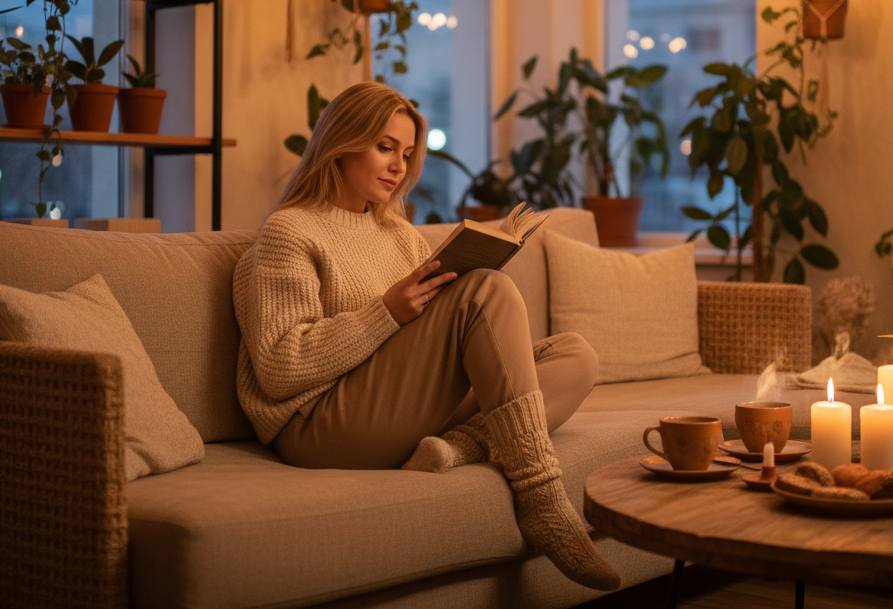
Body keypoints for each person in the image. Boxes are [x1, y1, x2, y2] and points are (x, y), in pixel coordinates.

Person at [232, 81, 619, 591]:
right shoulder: (290, 231)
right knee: (487, 289)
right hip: (320, 425)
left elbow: (433, 340)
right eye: (385, 147)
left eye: (407, 153)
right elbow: (280, 368)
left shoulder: (399, 234)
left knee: (575, 354)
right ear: (342, 143)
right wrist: (385, 313)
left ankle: (456, 449)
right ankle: (542, 497)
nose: (399, 166)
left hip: (401, 410)